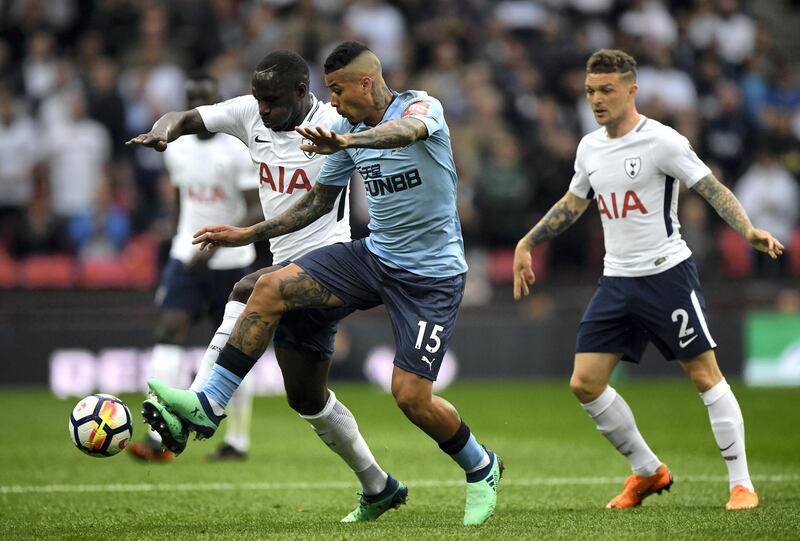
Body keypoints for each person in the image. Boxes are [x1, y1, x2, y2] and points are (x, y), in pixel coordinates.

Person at [143, 41, 503, 526]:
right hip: (373, 255)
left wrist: (350, 143)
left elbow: (405, 133)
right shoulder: (343, 127)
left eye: (337, 90)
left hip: (431, 275)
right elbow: (316, 202)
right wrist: (248, 233)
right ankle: (209, 404)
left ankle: (481, 466)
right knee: (265, 289)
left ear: (367, 83)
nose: (331, 101)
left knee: (412, 398)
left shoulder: (420, 107)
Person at [127, 50, 406, 522]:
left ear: (301, 93)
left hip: (329, 264)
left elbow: (317, 207)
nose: (263, 110)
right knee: (308, 400)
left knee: (247, 289)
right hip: (286, 267)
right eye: (258, 99)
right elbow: (188, 116)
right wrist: (164, 130)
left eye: (272, 101)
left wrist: (245, 234)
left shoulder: (334, 126)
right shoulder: (248, 112)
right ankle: (378, 485)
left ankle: (202, 405)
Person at [512, 49, 784, 511]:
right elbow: (573, 203)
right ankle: (648, 470)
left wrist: (747, 229)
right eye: (590, 91)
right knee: (585, 382)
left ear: (631, 91)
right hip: (617, 280)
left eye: (606, 91)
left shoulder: (663, 141)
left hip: (667, 275)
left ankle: (741, 484)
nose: (597, 100)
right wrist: (527, 242)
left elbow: (711, 187)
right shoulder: (589, 147)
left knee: (704, 375)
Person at [127, 75, 261, 462]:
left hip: (231, 260)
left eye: (205, 98)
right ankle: (157, 435)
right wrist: (177, 243)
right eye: (191, 98)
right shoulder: (176, 149)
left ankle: (237, 440)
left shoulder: (237, 149)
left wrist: (221, 239)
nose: (197, 104)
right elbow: (182, 202)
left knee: (236, 348)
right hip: (187, 255)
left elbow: (257, 207)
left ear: (216, 102)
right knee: (168, 329)